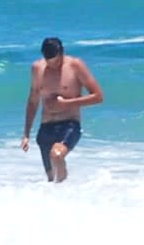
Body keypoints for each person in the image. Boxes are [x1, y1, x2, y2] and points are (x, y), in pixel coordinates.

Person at [18, 36, 103, 182]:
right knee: (51, 179)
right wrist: (26, 134)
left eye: (56, 62)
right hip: (45, 128)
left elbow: (98, 96)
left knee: (57, 155)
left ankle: (64, 191)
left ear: (62, 53)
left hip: (69, 125)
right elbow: (33, 101)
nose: (53, 66)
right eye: (49, 63)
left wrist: (67, 104)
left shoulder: (75, 66)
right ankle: (63, 195)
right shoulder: (37, 68)